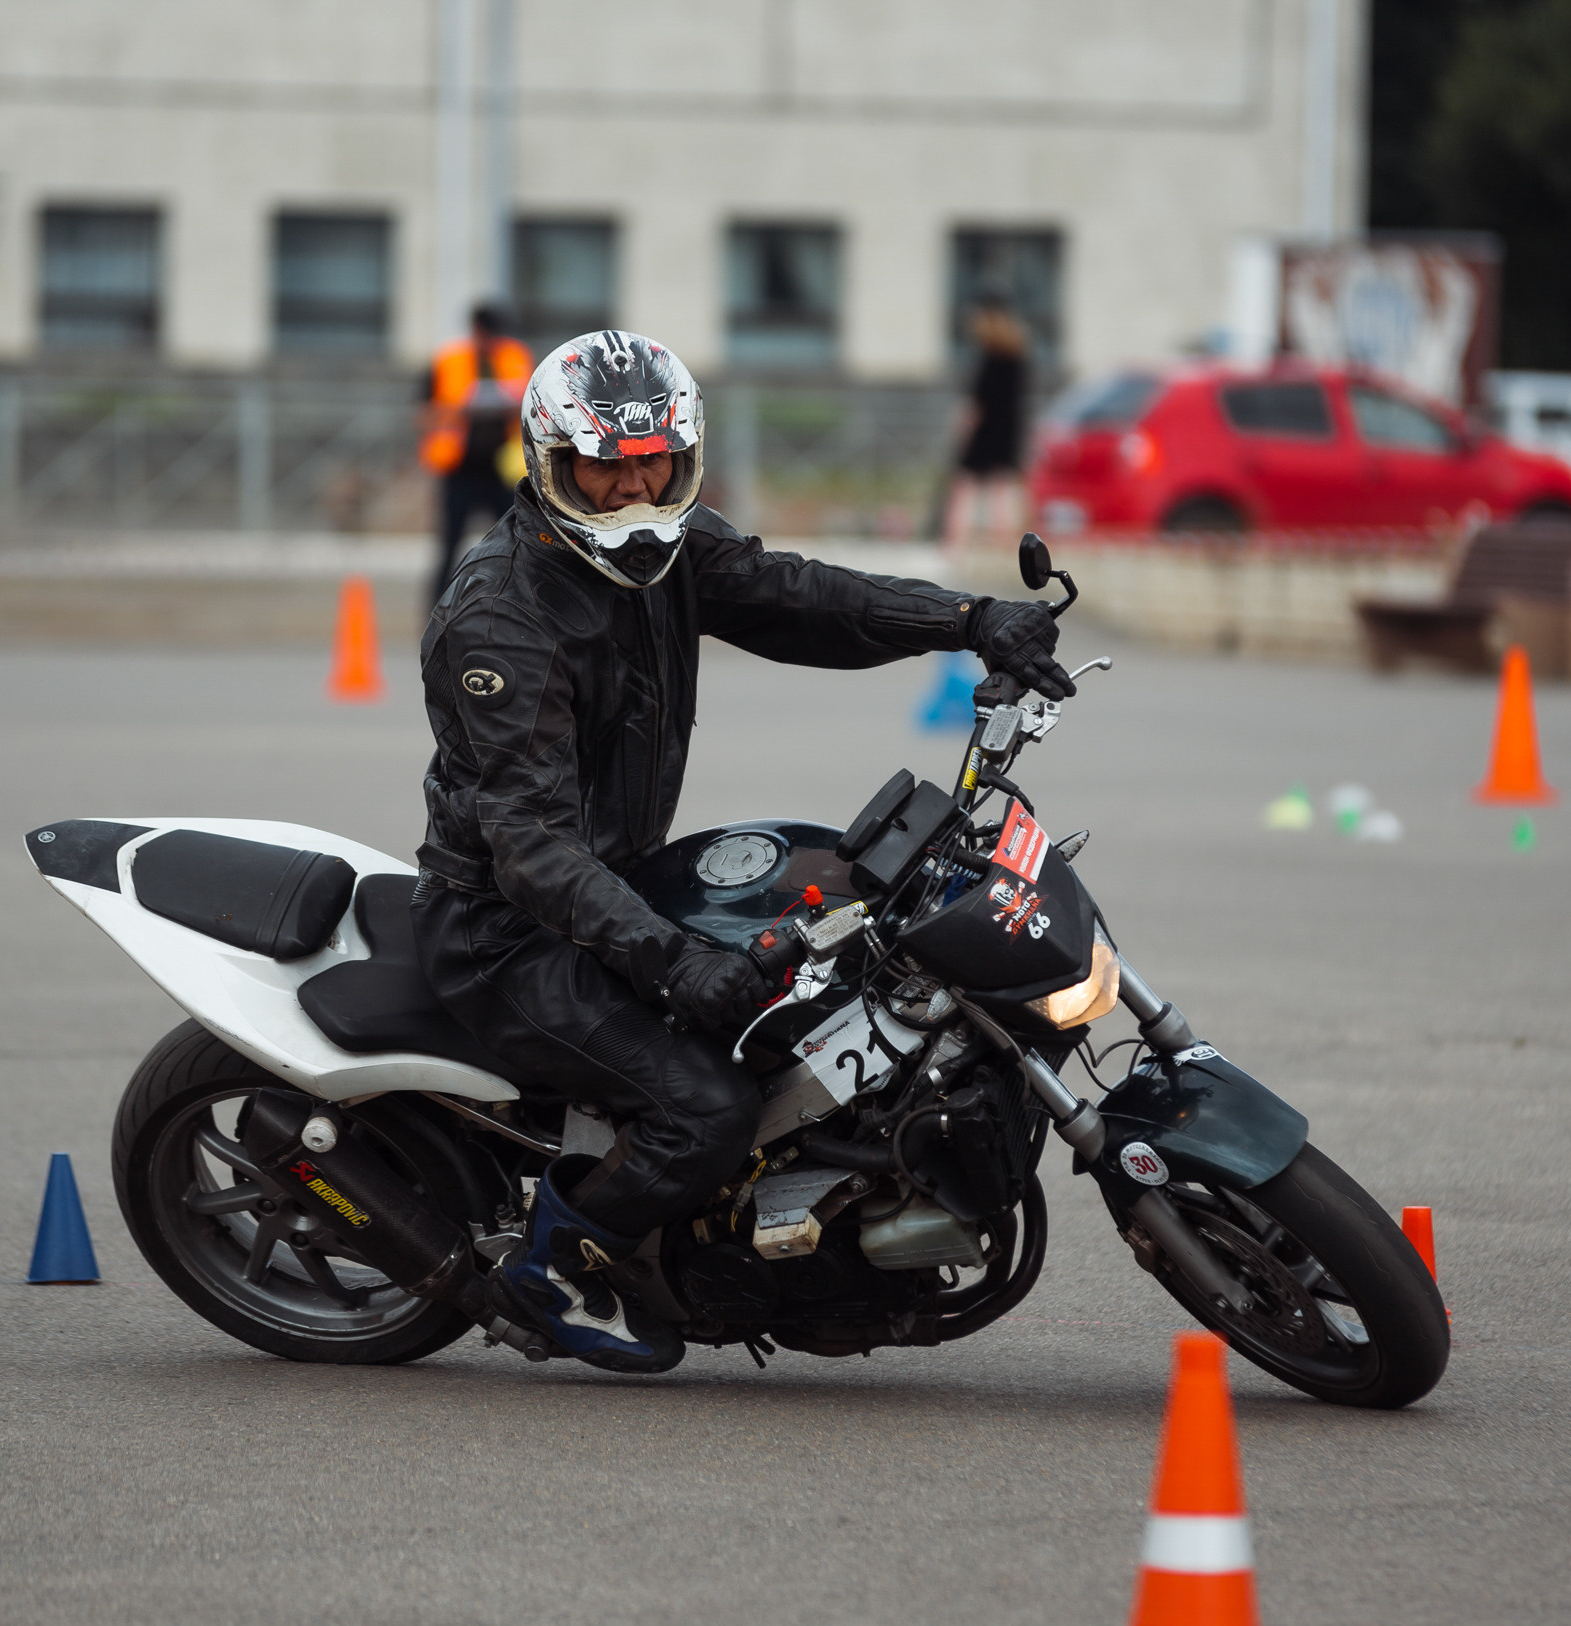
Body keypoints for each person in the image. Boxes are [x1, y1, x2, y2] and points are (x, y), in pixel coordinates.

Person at [413, 329, 1075, 1375]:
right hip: (506, 929)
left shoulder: (667, 554)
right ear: (551, 464)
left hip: (615, 883)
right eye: (606, 468)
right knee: (706, 1106)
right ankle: (556, 1272)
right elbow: (531, 848)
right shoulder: (501, 618)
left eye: (655, 465)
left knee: (822, 984)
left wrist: (969, 619)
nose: (635, 491)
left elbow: (799, 594)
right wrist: (671, 961)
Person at [421, 304, 534, 607]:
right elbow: (424, 414)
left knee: (516, 543)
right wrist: (461, 409)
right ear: (476, 331)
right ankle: (437, 610)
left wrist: (509, 403)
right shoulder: (448, 361)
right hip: (459, 469)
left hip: (503, 471)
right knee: (449, 545)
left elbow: (532, 406)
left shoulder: (517, 357)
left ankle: (515, 605)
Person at [944, 298, 1031, 547]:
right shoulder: (1017, 357)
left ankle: (952, 543)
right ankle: (1003, 545)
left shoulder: (990, 358)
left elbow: (978, 403)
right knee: (1000, 492)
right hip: (1007, 433)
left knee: (963, 488)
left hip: (984, 434)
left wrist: (964, 429)